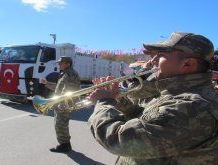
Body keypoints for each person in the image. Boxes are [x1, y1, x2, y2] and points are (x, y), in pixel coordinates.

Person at [88, 32, 218, 164]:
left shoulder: (193, 106)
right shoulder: (177, 93)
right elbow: (145, 118)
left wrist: (103, 102)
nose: (152, 61)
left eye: (160, 55)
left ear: (188, 64)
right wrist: (118, 101)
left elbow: (119, 141)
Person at [50, 56, 80, 153]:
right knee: (62, 124)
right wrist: (46, 83)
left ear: (68, 64)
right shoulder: (65, 73)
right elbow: (59, 89)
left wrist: (61, 103)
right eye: (59, 63)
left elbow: (67, 91)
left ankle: (63, 145)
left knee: (60, 124)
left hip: (64, 104)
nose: (59, 64)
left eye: (61, 63)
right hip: (62, 102)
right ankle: (66, 145)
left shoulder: (70, 74)